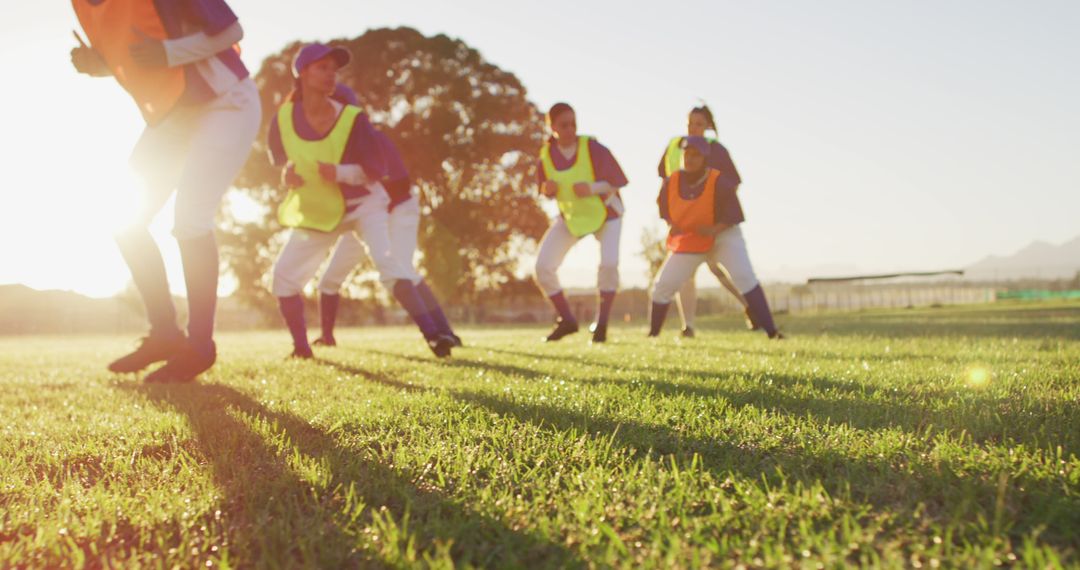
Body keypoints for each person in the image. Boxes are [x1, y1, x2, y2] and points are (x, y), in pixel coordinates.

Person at [71, 0, 261, 383]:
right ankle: (165, 334)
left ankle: (200, 346)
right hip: (172, 115)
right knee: (125, 222)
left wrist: (169, 53)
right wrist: (101, 65)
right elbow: (137, 55)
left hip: (223, 103)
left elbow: (231, 31)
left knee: (190, 221)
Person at [266, 44, 455, 358]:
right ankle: (301, 348)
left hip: (364, 206)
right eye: (322, 67)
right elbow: (285, 162)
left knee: (388, 263)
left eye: (334, 69)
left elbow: (374, 171)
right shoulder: (283, 118)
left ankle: (436, 337)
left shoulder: (353, 118)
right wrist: (288, 175)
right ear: (302, 73)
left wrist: (339, 172)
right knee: (284, 277)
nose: (332, 74)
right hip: (321, 209)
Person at [310, 85, 460, 348]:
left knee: (400, 268)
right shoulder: (327, 144)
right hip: (362, 216)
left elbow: (398, 184)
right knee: (329, 280)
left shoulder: (372, 138)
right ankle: (326, 337)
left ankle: (443, 333)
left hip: (396, 209)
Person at [648, 137, 782, 339]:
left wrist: (715, 229)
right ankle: (653, 335)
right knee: (663, 286)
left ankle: (772, 332)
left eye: (696, 155)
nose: (690, 159)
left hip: (723, 237)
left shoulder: (718, 181)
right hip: (691, 240)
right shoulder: (672, 181)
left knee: (744, 277)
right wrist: (670, 223)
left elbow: (735, 215)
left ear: (705, 159)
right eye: (687, 154)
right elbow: (664, 208)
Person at [657, 105, 757, 337]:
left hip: (710, 224)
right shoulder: (674, 146)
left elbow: (732, 183)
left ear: (708, 127)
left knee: (718, 269)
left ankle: (749, 305)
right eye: (690, 123)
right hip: (684, 223)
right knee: (686, 275)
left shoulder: (716, 151)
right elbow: (664, 179)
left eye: (699, 124)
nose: (693, 128)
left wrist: (716, 219)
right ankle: (688, 325)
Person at [534, 103, 629, 343]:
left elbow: (618, 181)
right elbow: (545, 189)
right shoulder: (546, 156)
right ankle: (567, 320)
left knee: (608, 264)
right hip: (573, 217)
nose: (570, 129)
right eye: (564, 125)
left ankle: (602, 325)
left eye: (573, 124)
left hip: (606, 213)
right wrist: (548, 190)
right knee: (543, 266)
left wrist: (593, 188)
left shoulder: (593, 148)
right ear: (552, 127)